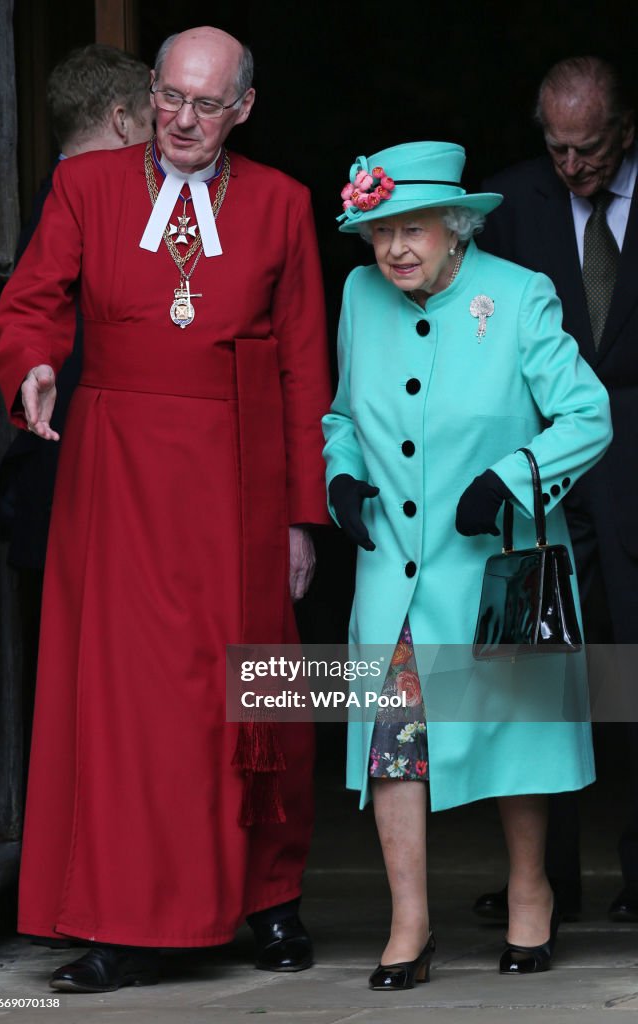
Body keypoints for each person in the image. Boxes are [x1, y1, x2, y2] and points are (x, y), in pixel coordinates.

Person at [0, 26, 331, 993]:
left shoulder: (281, 203)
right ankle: (132, 917)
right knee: (136, 707)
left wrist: (304, 516)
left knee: (255, 689)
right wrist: (37, 367)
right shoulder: (87, 187)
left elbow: (309, 367)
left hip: (238, 474)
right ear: (150, 91)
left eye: (206, 104)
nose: (182, 120)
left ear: (244, 109)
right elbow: (29, 304)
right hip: (119, 474)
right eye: (170, 98)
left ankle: (267, 899)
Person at [322, 141, 612, 985]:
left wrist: (510, 479)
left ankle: (532, 895)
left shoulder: (520, 297)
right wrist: (340, 474)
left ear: (456, 230)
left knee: (517, 738)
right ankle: (408, 924)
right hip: (398, 574)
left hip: (501, 566)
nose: (393, 250)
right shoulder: (358, 295)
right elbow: (342, 413)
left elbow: (587, 417)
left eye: (411, 230)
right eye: (378, 233)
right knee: (392, 746)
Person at [475, 55, 638, 923]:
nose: (572, 167)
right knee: (543, 681)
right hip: (552, 475)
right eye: (557, 148)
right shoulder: (509, 206)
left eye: (590, 149)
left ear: (625, 129)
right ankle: (546, 881)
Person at [0, 43, 153, 799]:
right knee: (76, 702)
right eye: (159, 115)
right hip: (67, 486)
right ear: (125, 119)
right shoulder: (65, 205)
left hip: (126, 497)